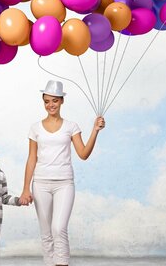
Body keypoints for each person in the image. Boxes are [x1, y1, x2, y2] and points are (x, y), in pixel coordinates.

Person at [19, 80, 105, 266]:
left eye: (55, 101)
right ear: (43, 101)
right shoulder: (35, 128)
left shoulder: (71, 126)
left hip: (64, 183)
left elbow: (83, 154)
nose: (51, 105)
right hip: (40, 183)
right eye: (47, 101)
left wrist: (95, 131)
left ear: (62, 101)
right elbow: (31, 158)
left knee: (59, 229)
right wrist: (26, 188)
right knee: (46, 232)